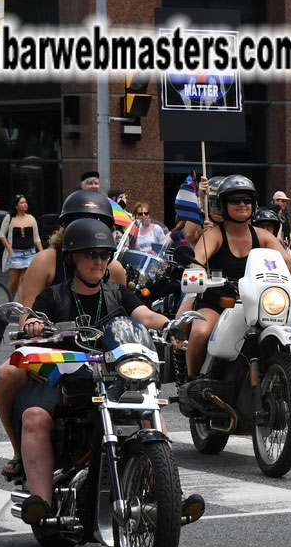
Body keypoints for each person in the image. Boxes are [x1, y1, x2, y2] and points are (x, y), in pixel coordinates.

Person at [14, 218, 178, 526]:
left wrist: (170, 323)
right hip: (65, 377)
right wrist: (33, 326)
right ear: (72, 258)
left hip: (113, 374)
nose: (99, 261)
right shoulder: (53, 296)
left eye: (104, 255)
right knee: (34, 417)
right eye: (91, 254)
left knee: (149, 410)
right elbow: (30, 319)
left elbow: (143, 314)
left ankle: (168, 494)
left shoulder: (118, 293)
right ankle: (43, 505)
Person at [180, 175, 291, 378]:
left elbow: (288, 261)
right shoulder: (214, 235)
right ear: (224, 204)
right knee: (200, 333)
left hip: (256, 302)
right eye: (235, 200)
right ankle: (193, 381)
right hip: (219, 301)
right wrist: (197, 270)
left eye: (246, 200)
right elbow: (199, 257)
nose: (242, 204)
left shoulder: (263, 236)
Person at [0, 194, 41, 299]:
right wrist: (10, 250)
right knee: (14, 281)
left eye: (25, 202)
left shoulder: (31, 218)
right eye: (22, 202)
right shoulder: (9, 218)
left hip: (29, 253)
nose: (25, 204)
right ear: (16, 205)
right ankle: (10, 302)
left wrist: (41, 252)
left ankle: (22, 307)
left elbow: (36, 237)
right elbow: (2, 235)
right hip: (15, 253)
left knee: (24, 280)